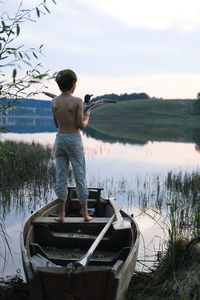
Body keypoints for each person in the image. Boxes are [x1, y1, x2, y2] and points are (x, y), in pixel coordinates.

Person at [51, 69, 92, 222]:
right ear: (73, 84)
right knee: (79, 175)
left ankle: (61, 215)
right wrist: (87, 117)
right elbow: (80, 125)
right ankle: (86, 215)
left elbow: (56, 124)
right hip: (74, 140)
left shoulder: (54, 101)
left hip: (60, 139)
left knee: (61, 177)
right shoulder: (77, 101)